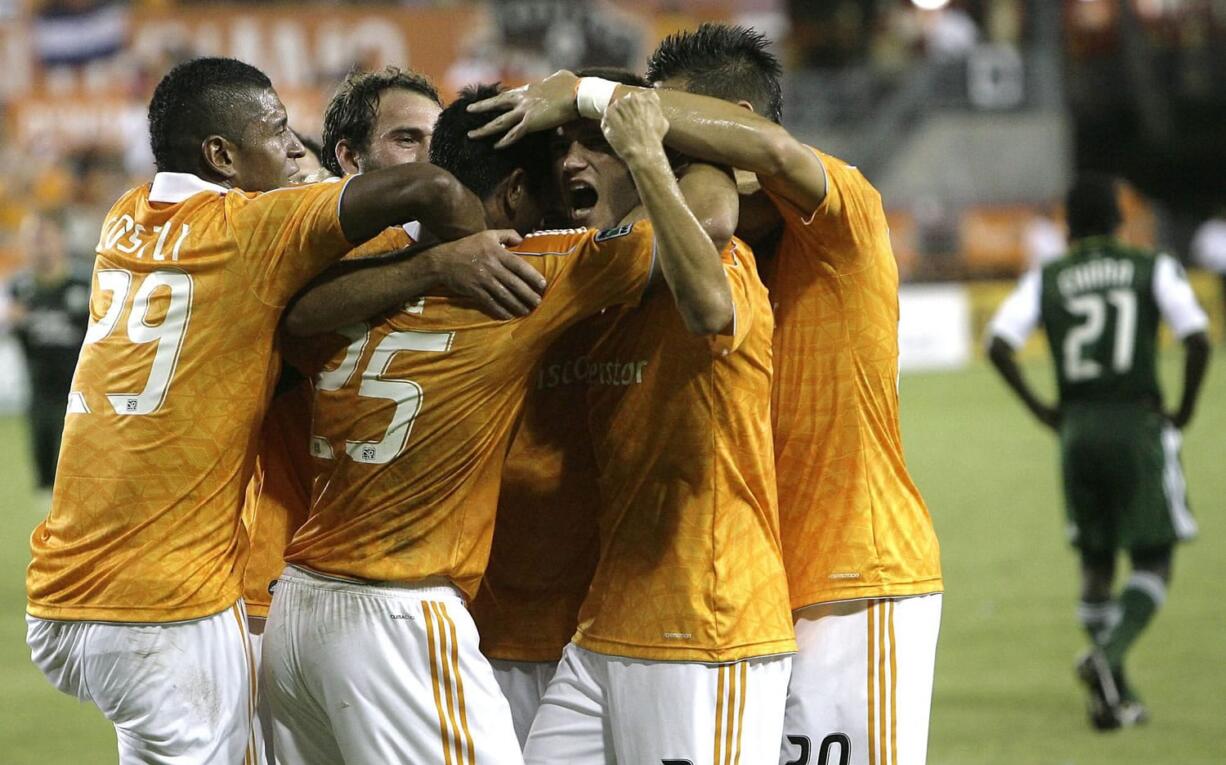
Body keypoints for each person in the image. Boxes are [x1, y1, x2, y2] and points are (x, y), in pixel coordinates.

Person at [471, 22, 944, 765]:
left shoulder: (845, 216)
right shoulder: (703, 255)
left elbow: (769, 160)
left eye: (676, 132)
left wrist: (590, 94)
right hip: (749, 587)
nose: (660, 147)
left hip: (855, 579)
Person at [23, 56, 497, 764]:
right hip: (167, 602)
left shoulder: (125, 217)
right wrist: (447, 267)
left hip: (63, 596)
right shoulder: (251, 228)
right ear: (222, 155)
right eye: (277, 132)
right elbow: (431, 188)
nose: (290, 147)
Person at [261, 83, 731, 764]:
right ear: (514, 195)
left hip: (298, 614)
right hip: (399, 612)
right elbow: (709, 221)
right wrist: (668, 145)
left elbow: (293, 316)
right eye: (551, 191)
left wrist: (429, 265)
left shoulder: (369, 265)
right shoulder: (531, 269)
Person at [241, 65, 548, 765]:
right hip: (298, 588)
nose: (430, 160)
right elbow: (293, 315)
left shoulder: (417, 259)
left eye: (436, 141)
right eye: (407, 139)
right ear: (348, 159)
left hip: (310, 598)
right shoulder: (322, 253)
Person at [987, 173, 1210, 730]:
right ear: (1118, 220)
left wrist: (1043, 411)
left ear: (1068, 228)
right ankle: (1105, 660)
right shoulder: (1150, 266)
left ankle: (1113, 698)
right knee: (1154, 558)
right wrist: (1182, 410)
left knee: (1096, 563)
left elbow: (998, 344)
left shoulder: (1050, 277)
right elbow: (1199, 338)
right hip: (1136, 423)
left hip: (1078, 431)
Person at [4, 211, 91, 497]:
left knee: (76, 474)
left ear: (62, 239)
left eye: (44, 236)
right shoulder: (19, 288)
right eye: (32, 238)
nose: (38, 244)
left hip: (81, 395)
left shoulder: (86, 284)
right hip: (38, 393)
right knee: (43, 480)